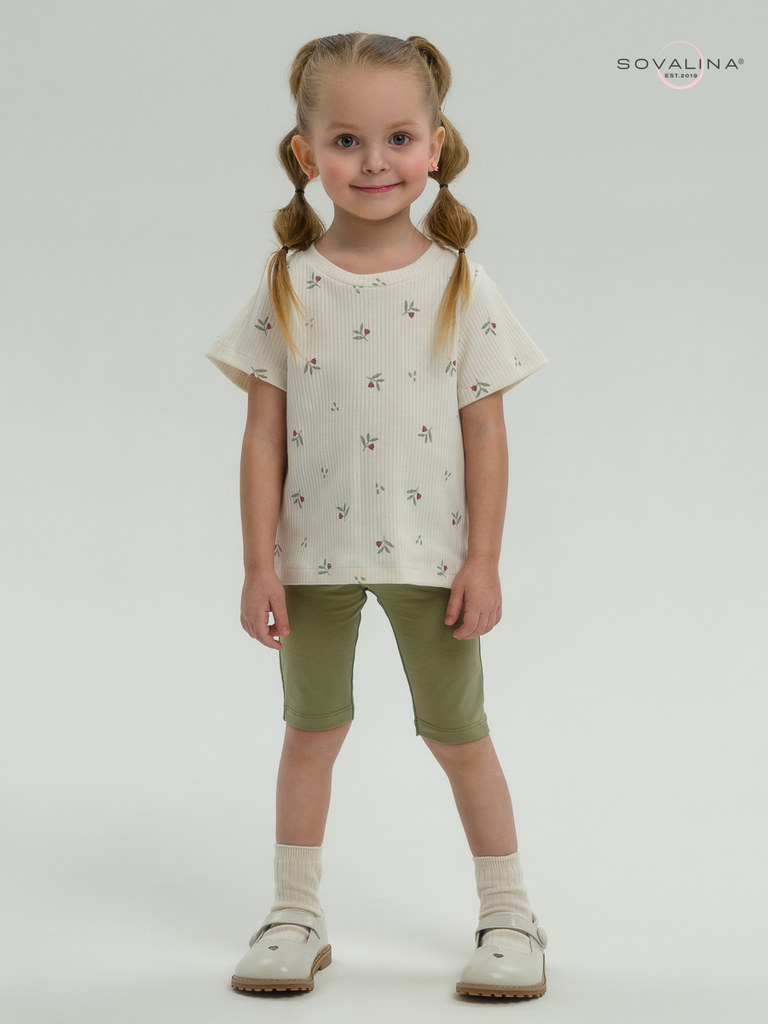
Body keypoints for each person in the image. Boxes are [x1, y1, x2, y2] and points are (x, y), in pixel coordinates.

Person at [205, 31, 550, 999]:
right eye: (347, 140)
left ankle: (510, 914)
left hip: (432, 560)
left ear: (435, 146)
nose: (373, 162)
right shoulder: (287, 282)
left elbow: (485, 436)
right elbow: (261, 438)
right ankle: (294, 914)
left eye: (398, 137)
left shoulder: (460, 282)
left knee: (459, 737)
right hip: (310, 558)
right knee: (310, 734)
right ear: (306, 152)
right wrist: (257, 563)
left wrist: (484, 559)